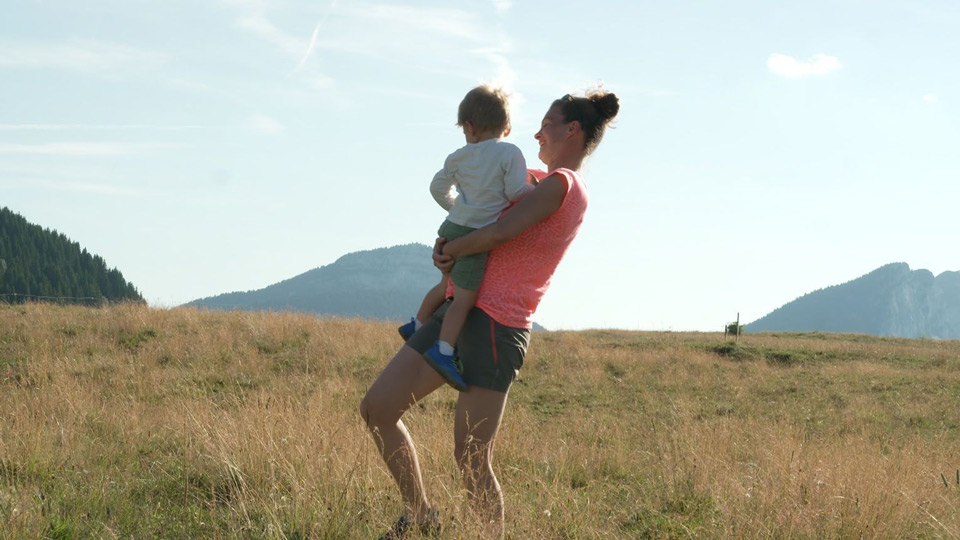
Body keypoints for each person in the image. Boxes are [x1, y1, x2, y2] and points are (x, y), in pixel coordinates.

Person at [360, 87, 620, 539]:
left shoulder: (564, 185)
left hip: (498, 325)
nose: (536, 132)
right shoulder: (527, 175)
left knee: (471, 455)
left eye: (547, 123)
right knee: (377, 408)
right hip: (456, 306)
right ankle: (420, 515)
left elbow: (503, 230)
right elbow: (472, 206)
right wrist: (446, 251)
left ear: (571, 130)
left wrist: (453, 247)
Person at [398, 85, 530, 391]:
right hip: (476, 234)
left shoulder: (458, 157)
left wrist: (457, 208)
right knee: (464, 299)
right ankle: (444, 351)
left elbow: (436, 188)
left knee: (447, 285)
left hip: (451, 227)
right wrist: (534, 190)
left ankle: (417, 323)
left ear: (468, 127)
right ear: (507, 128)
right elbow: (515, 192)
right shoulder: (509, 153)